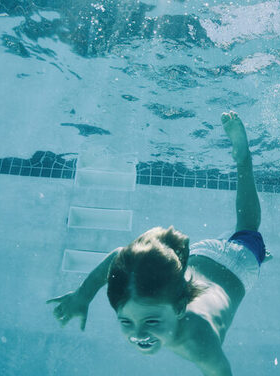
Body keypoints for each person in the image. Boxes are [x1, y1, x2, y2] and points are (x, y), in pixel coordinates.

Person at [48, 111, 266, 376]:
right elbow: (119, 257)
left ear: (178, 308)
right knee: (236, 236)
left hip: (238, 264)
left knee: (248, 229)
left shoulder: (198, 344)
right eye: (125, 320)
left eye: (151, 320)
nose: (138, 333)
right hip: (199, 255)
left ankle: (244, 160)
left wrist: (84, 294)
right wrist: (83, 295)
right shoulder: (163, 295)